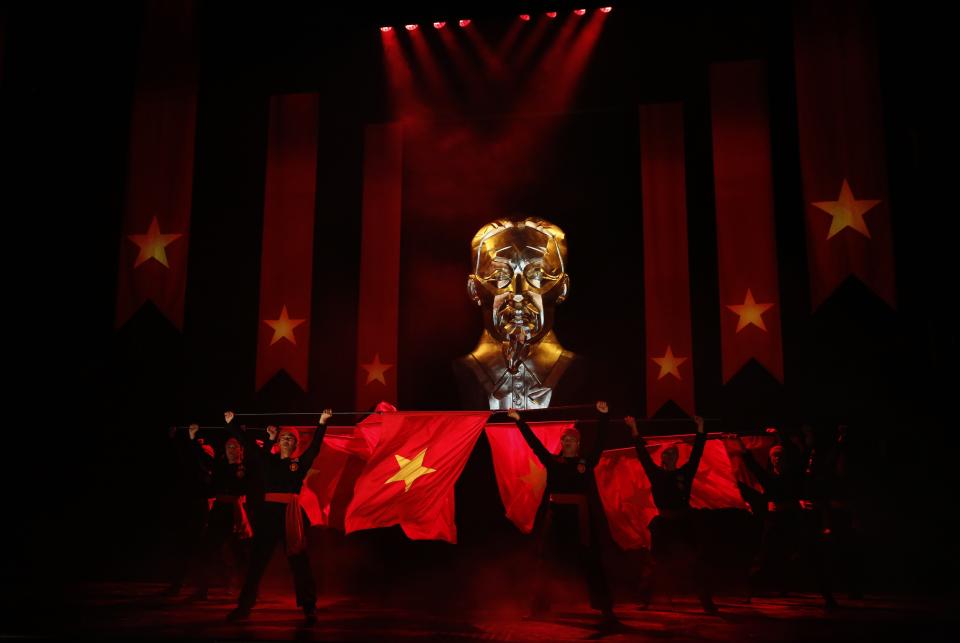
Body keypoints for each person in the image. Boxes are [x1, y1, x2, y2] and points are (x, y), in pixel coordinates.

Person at [507, 401, 619, 629]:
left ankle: (606, 610)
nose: (567, 442)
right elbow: (534, 445)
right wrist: (520, 422)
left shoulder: (586, 462)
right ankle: (539, 607)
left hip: (580, 517)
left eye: (572, 440)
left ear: (578, 444)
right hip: (556, 515)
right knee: (546, 562)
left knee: (591, 562)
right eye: (565, 439)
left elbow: (599, 443)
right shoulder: (553, 461)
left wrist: (604, 417)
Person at [227, 409, 332, 623]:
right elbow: (247, 444)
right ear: (278, 441)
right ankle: (244, 607)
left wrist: (322, 423)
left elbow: (315, 448)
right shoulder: (268, 460)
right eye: (283, 436)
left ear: (295, 444)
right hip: (268, 516)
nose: (286, 439)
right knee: (256, 562)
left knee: (299, 562)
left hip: (290, 515)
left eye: (290, 437)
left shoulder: (299, 464)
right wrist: (233, 424)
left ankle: (309, 607)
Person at [626, 415, 715, 613]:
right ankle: (644, 599)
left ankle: (707, 603)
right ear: (662, 457)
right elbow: (641, 453)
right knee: (654, 563)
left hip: (684, 523)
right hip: (664, 524)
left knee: (696, 562)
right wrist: (634, 428)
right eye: (667, 453)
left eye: (674, 453)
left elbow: (697, 454)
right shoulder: (655, 473)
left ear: (677, 457)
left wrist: (701, 429)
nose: (670, 455)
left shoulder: (685, 472)